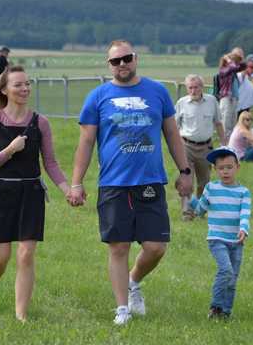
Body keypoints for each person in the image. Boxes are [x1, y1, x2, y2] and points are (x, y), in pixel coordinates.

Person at [69, 40, 193, 325]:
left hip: (150, 180)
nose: (122, 64)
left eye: (126, 58)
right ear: (108, 65)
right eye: (115, 61)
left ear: (135, 58)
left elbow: (172, 134)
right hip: (114, 183)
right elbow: (86, 142)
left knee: (156, 247)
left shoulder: (157, 92)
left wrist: (185, 171)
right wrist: (76, 182)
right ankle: (122, 309)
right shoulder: (98, 97)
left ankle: (133, 281)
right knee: (118, 247)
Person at [0, 65, 69, 322]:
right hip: (0, 194)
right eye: (18, 84)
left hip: (31, 193)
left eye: (27, 83)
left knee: (26, 254)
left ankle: (21, 315)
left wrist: (67, 190)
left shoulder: (41, 122)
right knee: (0, 258)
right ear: (4, 90)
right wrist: (9, 150)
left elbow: (50, 163)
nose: (25, 88)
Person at [188, 146, 250, 319]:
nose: (225, 172)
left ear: (237, 167)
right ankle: (215, 307)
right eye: (221, 168)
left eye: (229, 167)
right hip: (217, 239)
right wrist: (190, 198)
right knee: (226, 270)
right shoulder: (211, 188)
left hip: (236, 241)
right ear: (215, 170)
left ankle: (226, 312)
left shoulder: (243, 192)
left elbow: (245, 213)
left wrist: (244, 229)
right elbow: (200, 210)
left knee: (232, 278)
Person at [175, 74, 226, 221]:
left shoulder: (212, 101)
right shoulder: (181, 103)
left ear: (202, 87)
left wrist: (224, 143)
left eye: (196, 87)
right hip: (186, 146)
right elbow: (174, 127)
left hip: (206, 147)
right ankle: (187, 212)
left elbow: (218, 123)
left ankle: (200, 209)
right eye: (190, 87)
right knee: (187, 180)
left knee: (204, 181)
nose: (193, 90)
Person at [214, 48, 246, 139]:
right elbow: (233, 67)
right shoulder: (223, 70)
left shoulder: (233, 71)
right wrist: (228, 59)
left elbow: (243, 66)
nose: (234, 63)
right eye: (232, 61)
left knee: (232, 122)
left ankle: (230, 142)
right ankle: (224, 142)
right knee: (226, 121)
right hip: (226, 98)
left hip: (233, 98)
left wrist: (240, 57)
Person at [236, 54, 253, 120]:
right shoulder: (240, 75)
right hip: (240, 108)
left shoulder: (248, 77)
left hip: (246, 108)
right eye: (251, 67)